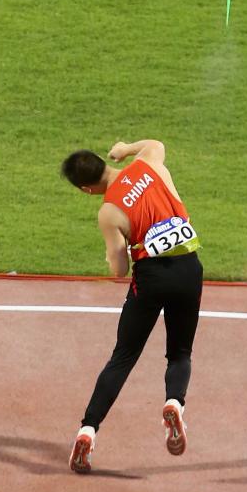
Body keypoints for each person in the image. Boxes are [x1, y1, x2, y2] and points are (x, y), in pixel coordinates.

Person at [60, 139, 203, 474]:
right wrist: (125, 148)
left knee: (122, 358)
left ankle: (88, 430)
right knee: (180, 352)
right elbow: (156, 142)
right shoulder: (149, 163)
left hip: (150, 279)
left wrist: (116, 257)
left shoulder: (109, 212)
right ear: (102, 162)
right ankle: (174, 402)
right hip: (188, 270)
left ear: (86, 189)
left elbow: (120, 270)